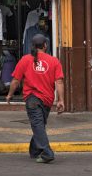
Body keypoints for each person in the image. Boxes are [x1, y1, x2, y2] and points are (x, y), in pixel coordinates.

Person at [6, 33, 64, 163]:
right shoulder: (54, 61)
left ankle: (46, 153)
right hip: (47, 99)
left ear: (32, 46)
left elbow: (15, 80)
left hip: (32, 99)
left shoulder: (26, 59)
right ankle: (35, 151)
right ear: (45, 45)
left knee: (38, 125)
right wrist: (60, 100)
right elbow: (59, 82)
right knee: (39, 124)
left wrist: (10, 94)